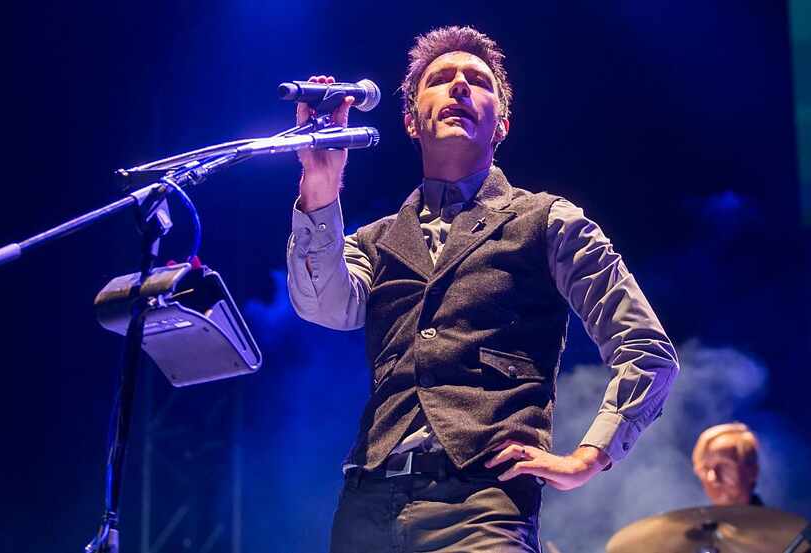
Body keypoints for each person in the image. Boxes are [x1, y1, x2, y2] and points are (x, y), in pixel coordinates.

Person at [286, 25, 679, 553]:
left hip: (481, 509)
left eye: (477, 80)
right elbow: (322, 306)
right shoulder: (376, 241)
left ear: (502, 124)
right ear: (409, 119)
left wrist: (591, 455)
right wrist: (320, 182)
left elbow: (648, 352)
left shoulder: (548, 221)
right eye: (440, 79)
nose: (459, 88)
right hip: (365, 507)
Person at [692, 422, 763, 506]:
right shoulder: (691, 518)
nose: (712, 478)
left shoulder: (775, 519)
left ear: (753, 471)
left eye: (724, 466)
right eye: (705, 469)